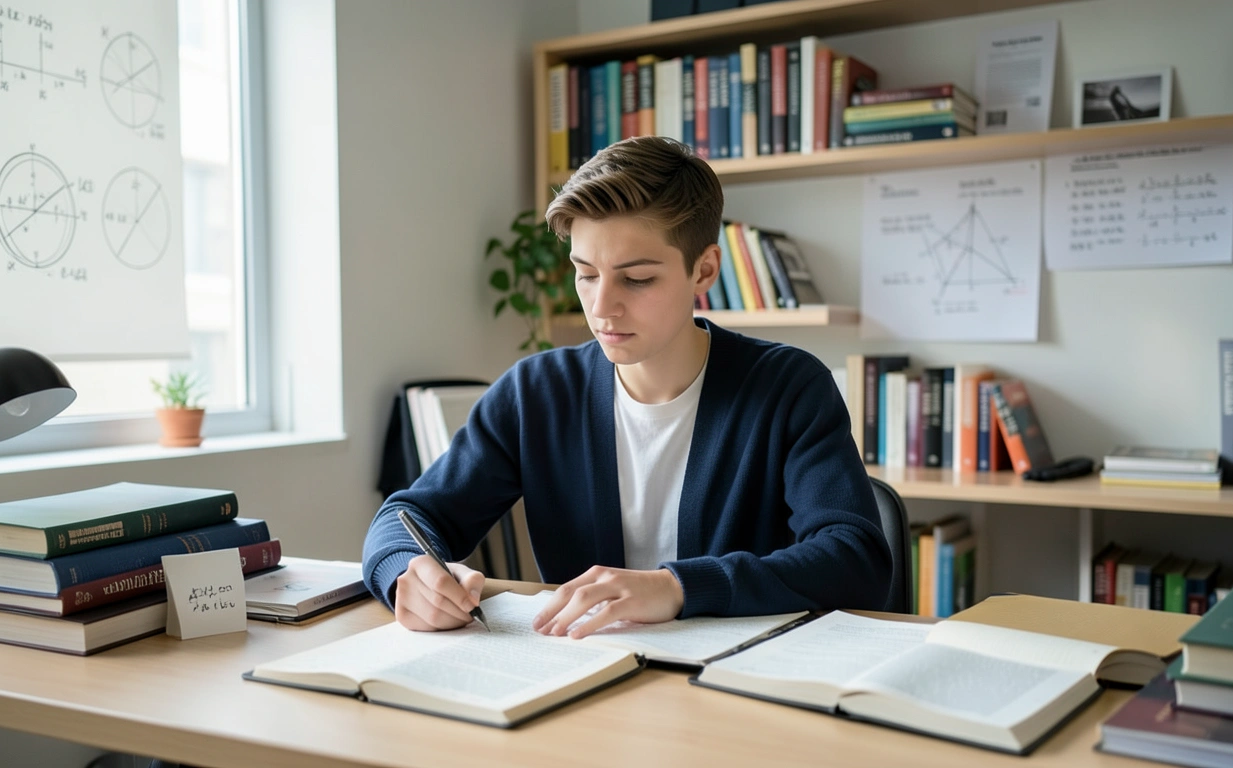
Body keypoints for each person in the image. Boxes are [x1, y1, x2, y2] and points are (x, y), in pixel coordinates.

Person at [362, 135, 890, 639]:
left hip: (733, 689)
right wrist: (409, 575)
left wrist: (678, 587)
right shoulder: (537, 392)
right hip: (582, 680)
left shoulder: (789, 388)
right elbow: (408, 517)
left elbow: (854, 557)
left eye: (636, 279)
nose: (601, 306)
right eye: (585, 273)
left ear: (704, 270)